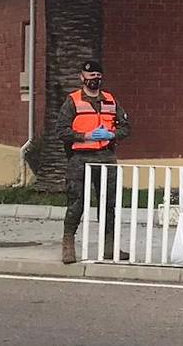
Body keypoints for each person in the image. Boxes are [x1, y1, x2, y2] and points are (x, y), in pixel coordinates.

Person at [56, 60, 131, 264]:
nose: (94, 81)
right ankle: (68, 246)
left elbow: (126, 127)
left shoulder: (110, 100)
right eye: (90, 77)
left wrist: (112, 134)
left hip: (105, 156)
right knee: (76, 203)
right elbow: (62, 131)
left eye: (98, 77)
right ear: (82, 78)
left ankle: (109, 247)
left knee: (109, 204)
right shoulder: (72, 101)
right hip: (80, 158)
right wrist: (86, 135)